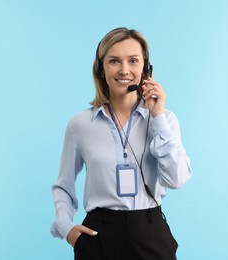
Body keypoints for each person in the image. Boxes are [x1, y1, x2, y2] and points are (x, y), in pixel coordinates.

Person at [50, 27, 192, 260]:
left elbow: (176, 180)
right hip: (100, 235)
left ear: (146, 69)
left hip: (150, 230)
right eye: (114, 61)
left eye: (133, 61)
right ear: (101, 68)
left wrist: (157, 118)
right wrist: (67, 228)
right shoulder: (80, 124)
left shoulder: (165, 120)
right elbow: (63, 186)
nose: (124, 70)